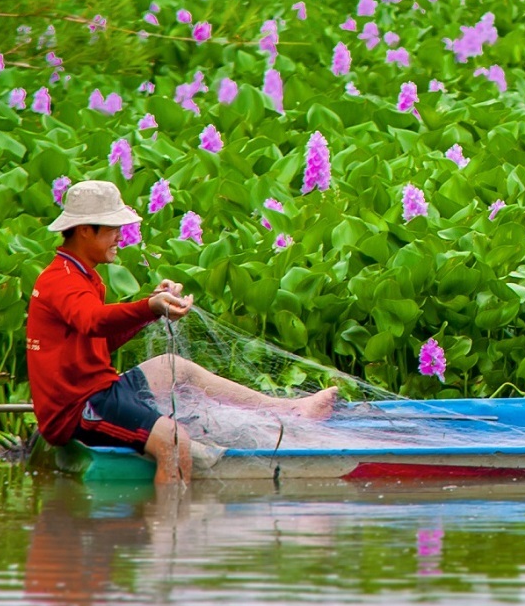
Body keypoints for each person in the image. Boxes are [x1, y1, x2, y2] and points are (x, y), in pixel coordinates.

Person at [26, 180, 335, 483]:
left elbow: (101, 340)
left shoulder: (84, 276)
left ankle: (291, 409)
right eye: (112, 229)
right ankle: (170, 528)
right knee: (174, 442)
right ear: (84, 230)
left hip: (101, 391)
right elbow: (92, 320)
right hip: (79, 410)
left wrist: (153, 310)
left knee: (179, 369)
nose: (120, 237)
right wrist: (149, 306)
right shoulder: (61, 280)